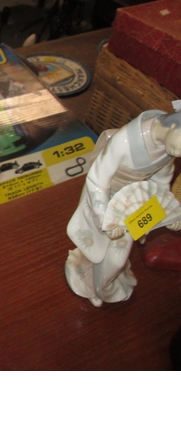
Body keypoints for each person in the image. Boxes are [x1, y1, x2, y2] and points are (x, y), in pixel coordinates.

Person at [65, 109, 181, 307]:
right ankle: (91, 282)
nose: (179, 154)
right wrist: (104, 217)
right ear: (173, 126)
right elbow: (97, 179)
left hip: (130, 204)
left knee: (117, 259)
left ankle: (100, 288)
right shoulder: (126, 140)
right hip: (103, 199)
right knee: (96, 248)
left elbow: (159, 186)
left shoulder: (168, 148)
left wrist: (167, 214)